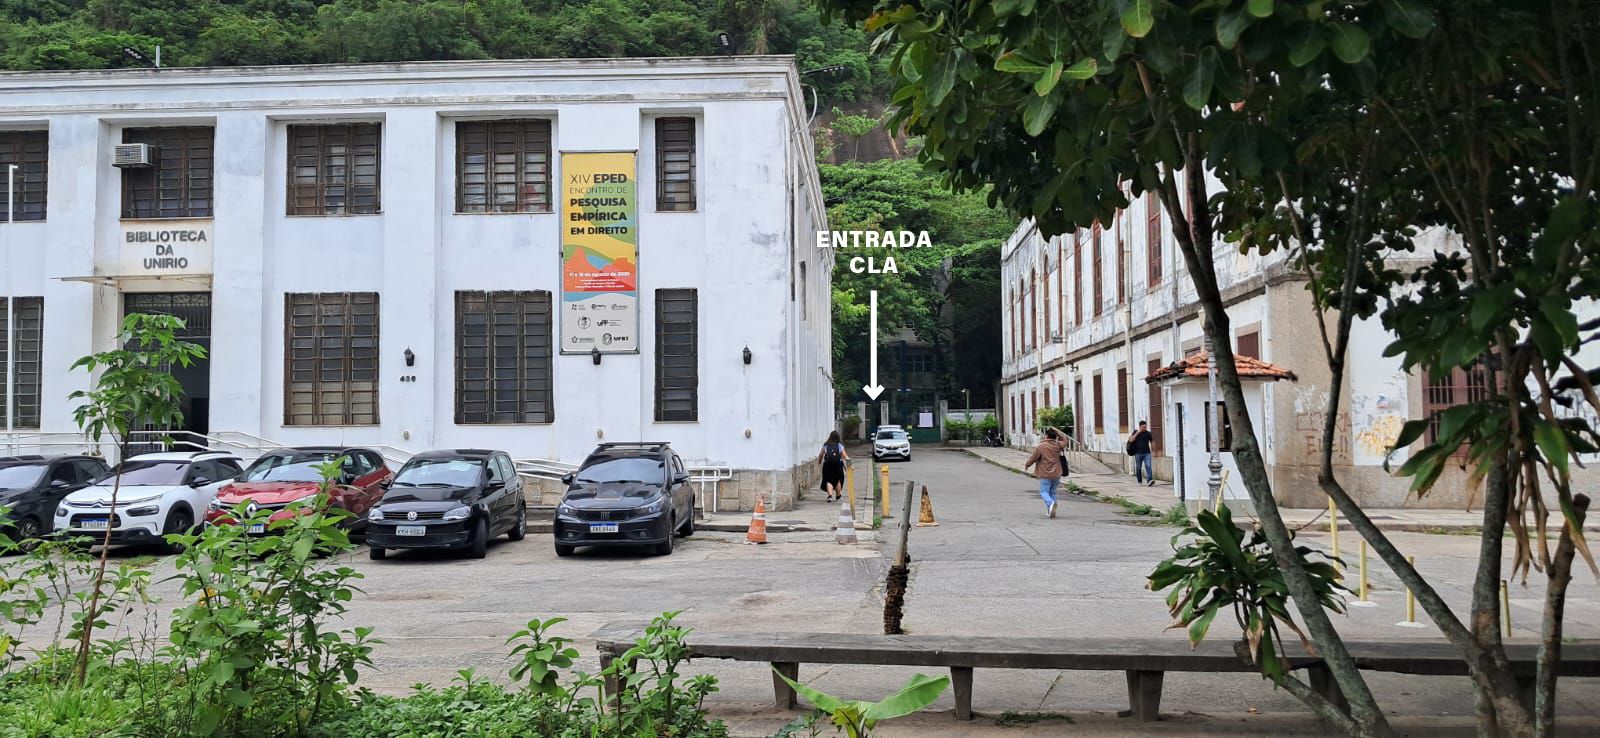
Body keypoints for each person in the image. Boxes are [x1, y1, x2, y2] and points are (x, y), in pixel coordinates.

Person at [1023, 428, 1065, 518]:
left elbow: (1033, 457)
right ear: (1055, 436)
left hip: (1045, 473)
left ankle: (1051, 503)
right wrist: (1058, 433)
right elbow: (1065, 441)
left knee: (1044, 492)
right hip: (1057, 473)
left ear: (1046, 436)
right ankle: (1051, 511)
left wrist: (1027, 464)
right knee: (1053, 492)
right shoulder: (1058, 445)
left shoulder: (1041, 446)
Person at [818, 431, 849, 503]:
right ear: (838, 437)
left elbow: (821, 454)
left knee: (828, 480)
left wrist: (819, 461)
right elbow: (845, 456)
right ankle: (838, 495)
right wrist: (850, 466)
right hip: (838, 465)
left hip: (828, 465)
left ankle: (830, 495)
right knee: (838, 480)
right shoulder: (839, 445)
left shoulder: (826, 445)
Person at [1128, 421, 1154, 486]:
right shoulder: (1135, 432)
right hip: (1138, 453)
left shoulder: (1148, 433)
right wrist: (1137, 433)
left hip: (1147, 453)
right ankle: (1139, 481)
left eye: (1145, 427)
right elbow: (1131, 440)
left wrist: (1153, 451)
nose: (1144, 428)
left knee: (1148, 466)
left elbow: (1152, 441)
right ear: (1140, 427)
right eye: (1143, 427)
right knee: (1138, 468)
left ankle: (1149, 480)